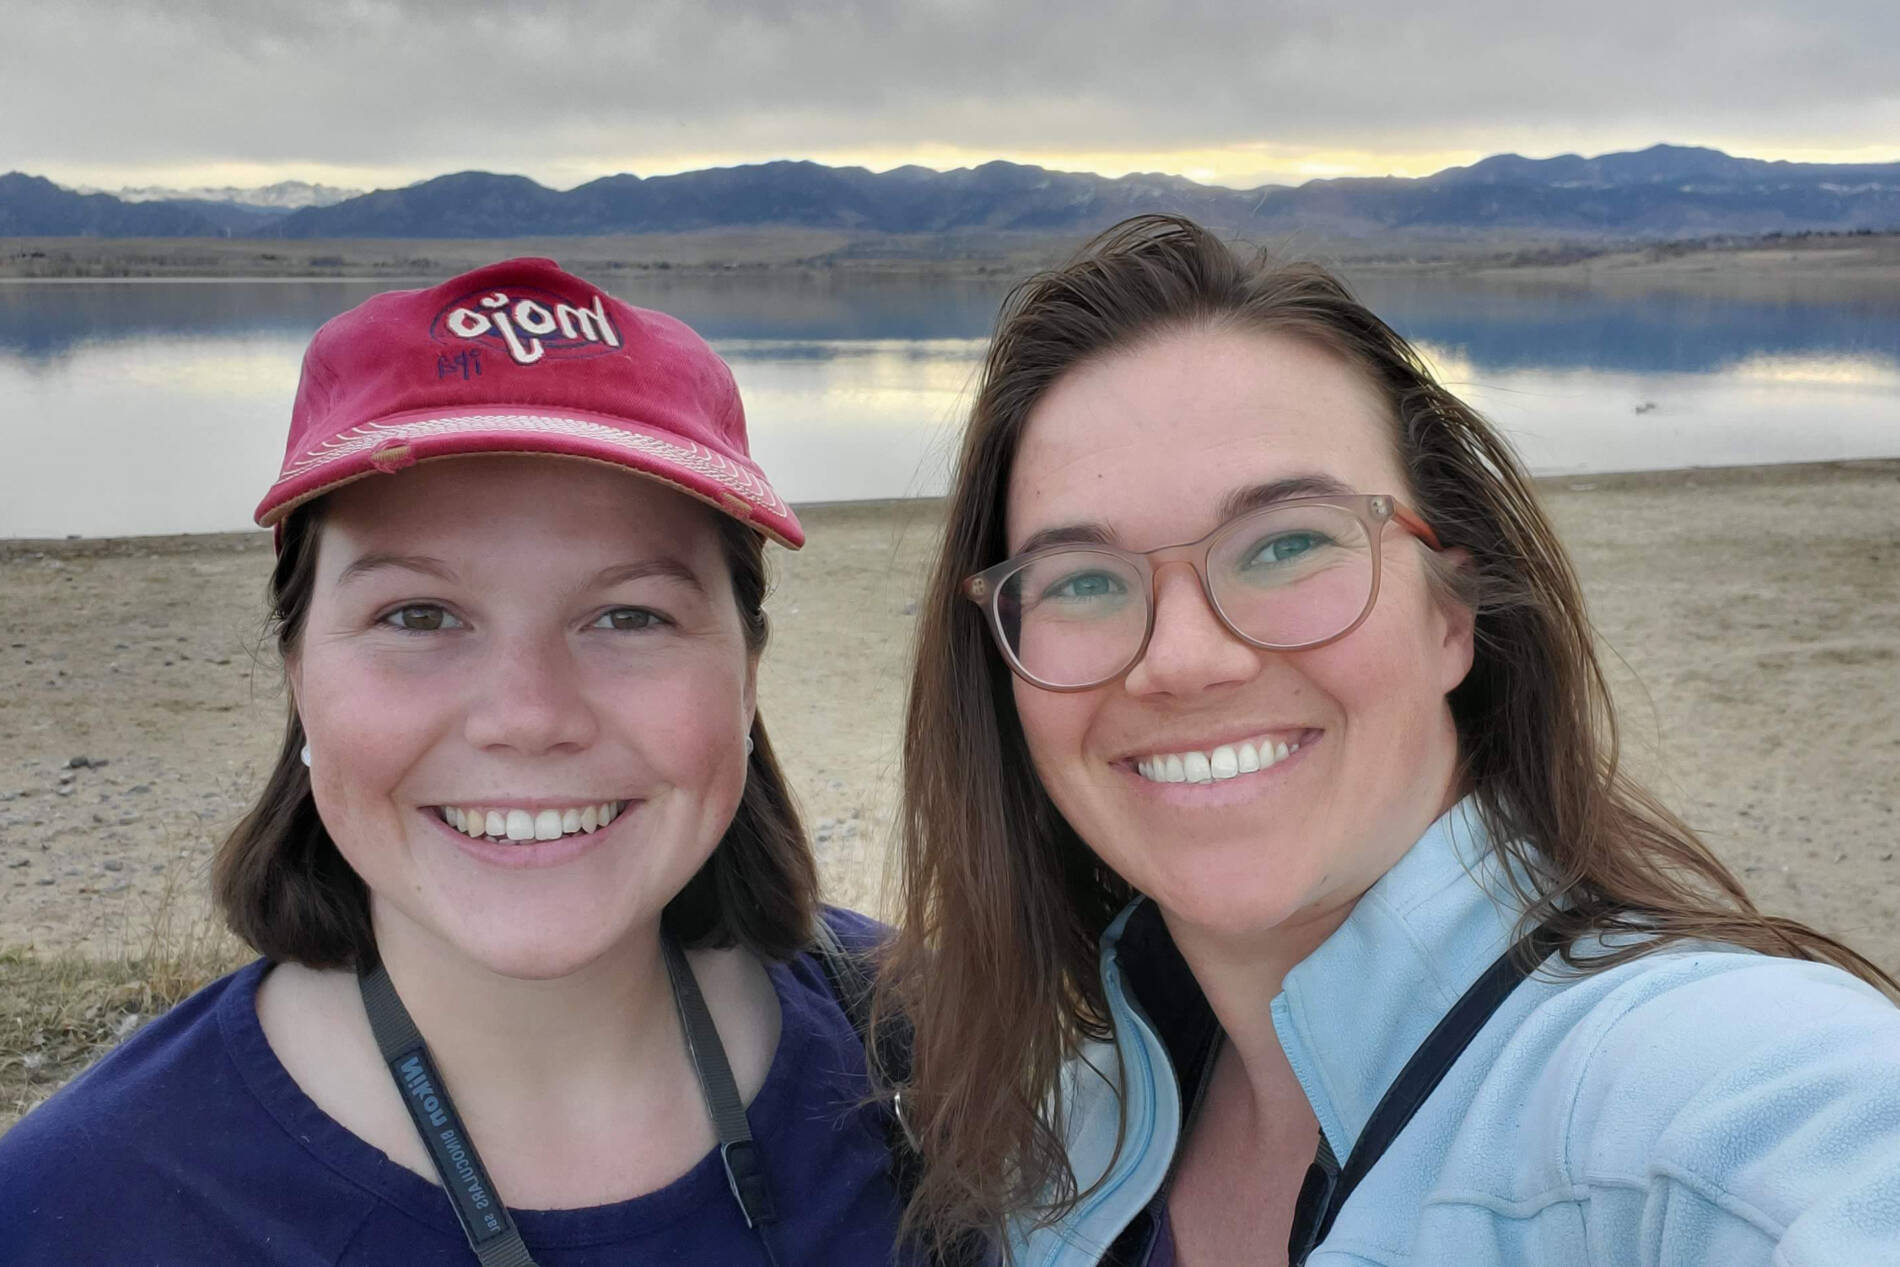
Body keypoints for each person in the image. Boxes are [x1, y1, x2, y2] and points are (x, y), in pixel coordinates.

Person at [875, 215, 1900, 1266]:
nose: (1182, 660)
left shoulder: (1682, 1099)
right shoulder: (1054, 1132)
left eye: (1285, 543)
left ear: (1449, 615)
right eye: (1082, 580)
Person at [0, 259, 907, 1265]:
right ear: (298, 672)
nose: (526, 716)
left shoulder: (966, 1062)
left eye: (629, 614)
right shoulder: (74, 1212)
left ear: (746, 677)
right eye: (419, 615)